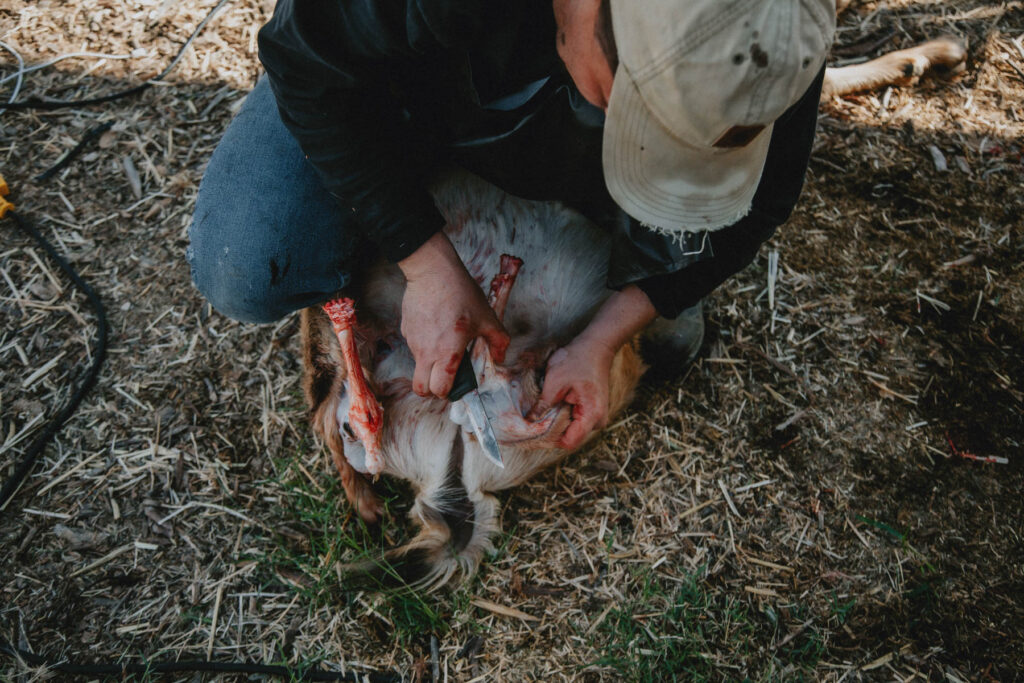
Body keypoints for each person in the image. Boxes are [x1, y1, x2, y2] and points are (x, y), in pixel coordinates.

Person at [187, 0, 835, 450]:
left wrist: (603, 339)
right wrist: (424, 260)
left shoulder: (772, 29)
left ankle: (630, 247)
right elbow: (303, 57)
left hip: (547, 122)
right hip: (402, 81)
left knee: (663, 319)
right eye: (642, 121)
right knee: (248, 260)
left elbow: (766, 198)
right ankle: (425, 191)